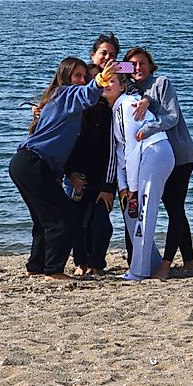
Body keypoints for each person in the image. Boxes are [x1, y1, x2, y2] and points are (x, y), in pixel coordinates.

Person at [9, 57, 115, 280]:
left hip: (26, 164)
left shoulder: (57, 101)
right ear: (64, 77)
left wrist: (62, 174)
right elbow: (86, 94)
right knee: (63, 217)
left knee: (43, 219)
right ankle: (53, 271)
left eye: (84, 76)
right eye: (77, 76)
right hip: (32, 163)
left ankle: (36, 267)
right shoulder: (64, 93)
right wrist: (100, 79)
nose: (81, 80)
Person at [125, 47, 193, 279]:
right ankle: (189, 262)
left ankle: (165, 265)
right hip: (156, 160)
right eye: (132, 64)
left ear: (150, 65)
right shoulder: (131, 90)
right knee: (176, 209)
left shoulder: (161, 83)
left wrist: (147, 128)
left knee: (174, 208)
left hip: (179, 155)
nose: (138, 68)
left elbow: (172, 117)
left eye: (142, 63)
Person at [104, 73, 175, 280]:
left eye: (112, 81)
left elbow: (133, 147)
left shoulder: (126, 104)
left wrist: (133, 189)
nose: (107, 84)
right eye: (104, 80)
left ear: (122, 87)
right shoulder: (117, 107)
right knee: (131, 214)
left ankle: (138, 271)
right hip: (144, 158)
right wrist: (124, 186)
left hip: (153, 153)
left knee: (144, 211)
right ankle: (151, 263)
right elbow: (121, 152)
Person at [66, 63, 116, 275]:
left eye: (101, 80)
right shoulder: (76, 109)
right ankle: (80, 263)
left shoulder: (109, 110)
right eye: (92, 80)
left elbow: (113, 151)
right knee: (77, 222)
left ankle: (96, 263)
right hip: (78, 177)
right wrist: (70, 173)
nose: (98, 84)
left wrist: (108, 186)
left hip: (103, 177)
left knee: (101, 222)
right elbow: (65, 146)